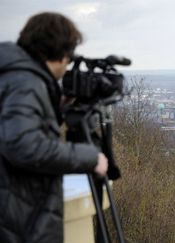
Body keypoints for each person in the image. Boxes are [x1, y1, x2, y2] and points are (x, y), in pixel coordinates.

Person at [0, 12, 108, 243]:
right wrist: (90, 157)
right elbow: (24, 146)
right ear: (60, 54)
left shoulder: (13, 76)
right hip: (19, 221)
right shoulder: (25, 83)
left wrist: (54, 109)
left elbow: (12, 129)